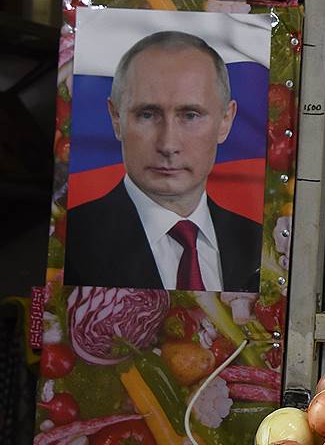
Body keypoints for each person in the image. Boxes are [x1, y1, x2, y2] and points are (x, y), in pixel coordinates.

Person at [64, 31, 262, 292]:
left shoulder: (257, 241)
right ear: (116, 118)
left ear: (225, 121)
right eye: (147, 115)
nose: (168, 145)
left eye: (190, 115)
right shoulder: (71, 239)